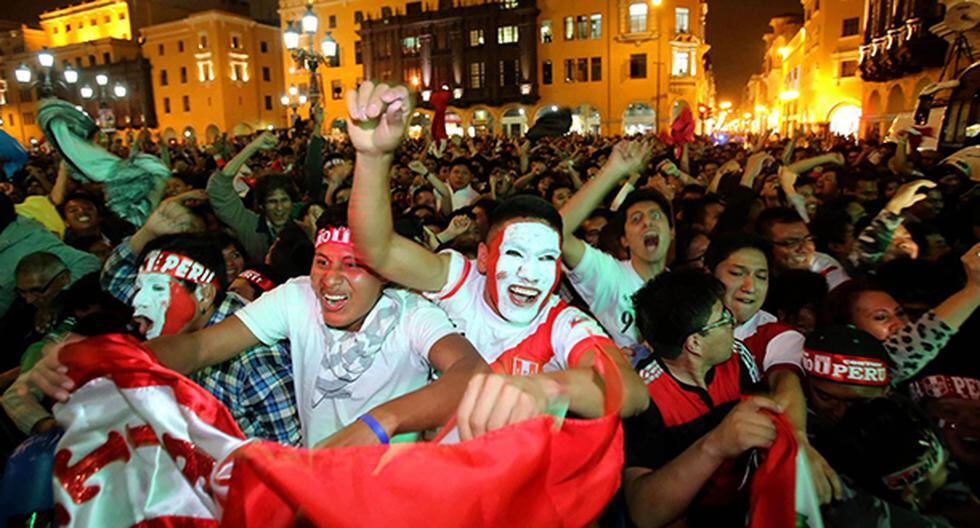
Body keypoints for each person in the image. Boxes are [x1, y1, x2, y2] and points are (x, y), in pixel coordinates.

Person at [345, 81, 648, 420]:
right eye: (515, 255)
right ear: (485, 259)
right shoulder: (458, 277)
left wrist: (544, 388)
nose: (529, 274)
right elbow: (377, 251)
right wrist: (372, 157)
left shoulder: (560, 322)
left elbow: (633, 393)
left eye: (547, 259)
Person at [623, 270, 781, 527]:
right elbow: (644, 511)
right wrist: (716, 445)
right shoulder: (643, 397)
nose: (733, 322)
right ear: (694, 343)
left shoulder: (737, 359)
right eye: (723, 318)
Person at [558, 140, 673, 347]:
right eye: (636, 219)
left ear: (671, 232)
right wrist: (613, 170)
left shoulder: (685, 288)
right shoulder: (609, 275)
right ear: (624, 240)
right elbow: (558, 233)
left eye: (656, 215)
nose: (647, 222)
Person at [206, 132, 301, 261]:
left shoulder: (304, 226)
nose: (279, 208)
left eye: (284, 200)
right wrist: (253, 147)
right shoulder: (249, 225)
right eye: (272, 202)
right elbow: (218, 189)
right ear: (262, 205)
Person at [756, 206, 850, 289]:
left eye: (808, 239)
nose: (803, 248)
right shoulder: (753, 274)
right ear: (766, 246)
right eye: (791, 242)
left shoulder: (825, 267)